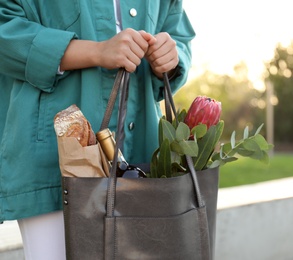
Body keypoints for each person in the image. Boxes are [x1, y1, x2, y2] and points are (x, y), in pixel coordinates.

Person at [0, 1, 195, 259]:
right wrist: (98, 51)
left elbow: (178, 34)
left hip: (143, 157)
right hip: (53, 158)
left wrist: (172, 56)